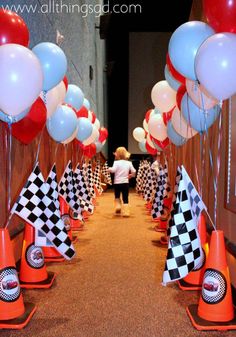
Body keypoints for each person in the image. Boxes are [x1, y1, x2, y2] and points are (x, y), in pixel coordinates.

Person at [108, 146, 136, 217]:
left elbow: (113, 170)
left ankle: (118, 206)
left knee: (117, 196)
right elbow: (134, 171)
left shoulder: (116, 162)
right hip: (125, 183)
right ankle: (126, 212)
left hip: (117, 183)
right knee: (125, 197)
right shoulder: (129, 163)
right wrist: (131, 175)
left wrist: (109, 169)